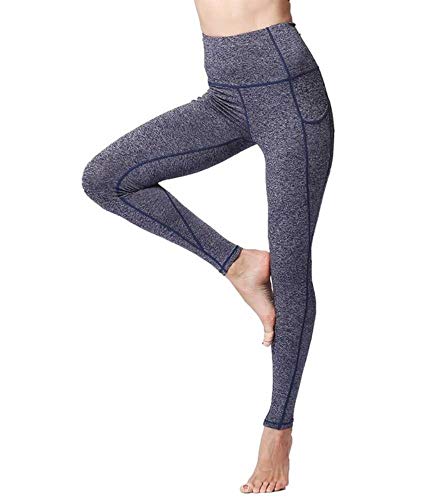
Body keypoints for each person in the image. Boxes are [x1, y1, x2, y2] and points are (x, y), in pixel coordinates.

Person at [82, 0, 334, 493]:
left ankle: (278, 430)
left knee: (290, 270)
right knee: (106, 179)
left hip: (288, 90)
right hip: (223, 96)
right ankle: (237, 263)